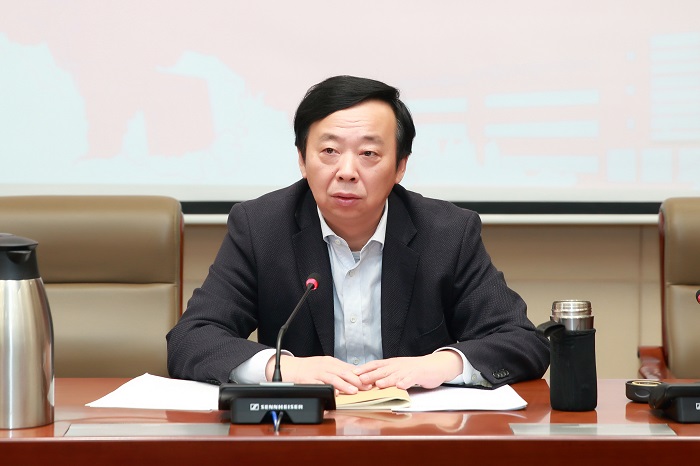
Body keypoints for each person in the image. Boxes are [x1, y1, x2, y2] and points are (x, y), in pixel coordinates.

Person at [166, 75, 549, 394]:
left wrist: (440, 364)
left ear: (400, 166)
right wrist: (283, 368)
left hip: (414, 434)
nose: (347, 171)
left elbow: (521, 340)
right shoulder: (261, 227)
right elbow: (191, 338)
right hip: (302, 437)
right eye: (329, 151)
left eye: (369, 154)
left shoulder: (447, 233)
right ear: (302, 160)